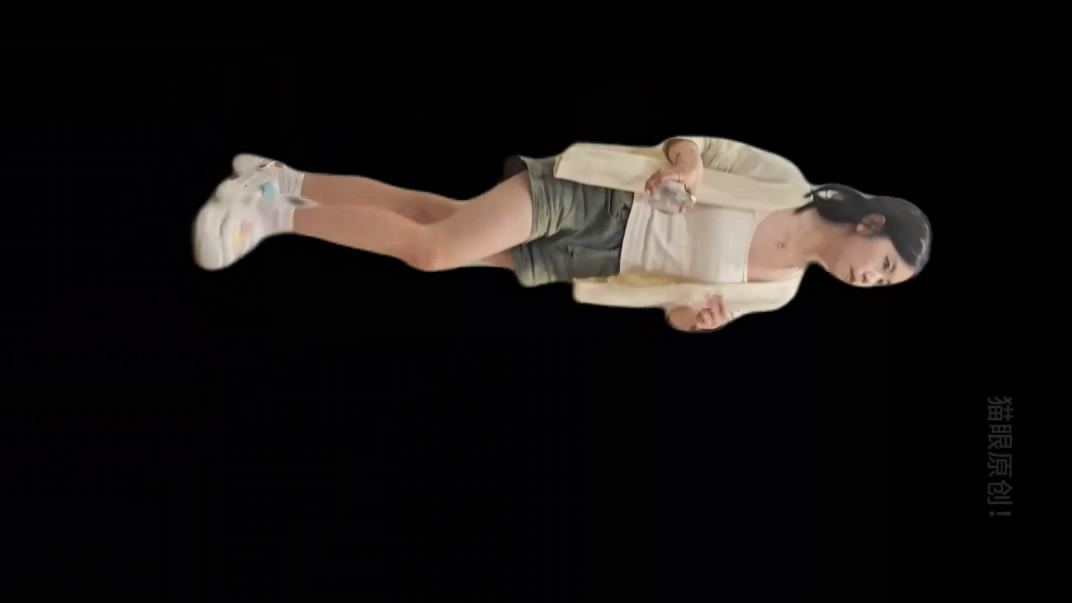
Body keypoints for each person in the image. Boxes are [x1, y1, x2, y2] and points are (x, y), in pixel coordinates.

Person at [192, 136, 932, 332]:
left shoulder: (780, 293)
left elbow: (674, 307)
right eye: (884, 263)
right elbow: (693, 144)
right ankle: (269, 213)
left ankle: (285, 178)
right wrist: (688, 167)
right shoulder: (785, 182)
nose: (872, 280)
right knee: (433, 251)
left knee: (430, 216)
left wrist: (696, 320)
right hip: (602, 200)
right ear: (871, 222)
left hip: (593, 259)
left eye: (885, 283)